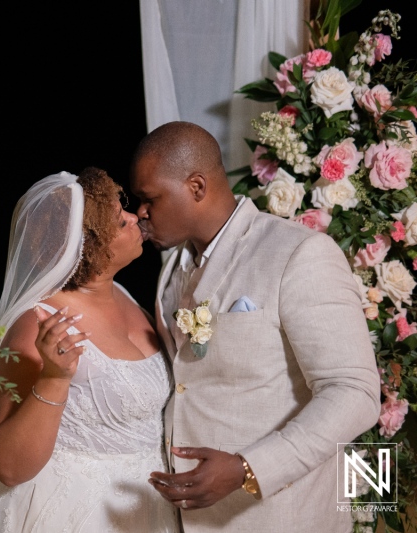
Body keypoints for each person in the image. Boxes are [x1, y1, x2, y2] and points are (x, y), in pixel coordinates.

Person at [129, 121, 380, 532]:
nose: (140, 213)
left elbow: (355, 393)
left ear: (196, 186)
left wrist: (249, 468)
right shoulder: (170, 272)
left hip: (282, 517)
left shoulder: (297, 253)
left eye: (149, 198)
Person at [0, 168, 179, 532]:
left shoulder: (126, 297)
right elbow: (9, 467)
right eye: (121, 223)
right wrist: (54, 378)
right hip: (76, 513)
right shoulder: (38, 324)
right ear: (90, 248)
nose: (136, 217)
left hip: (146, 508)